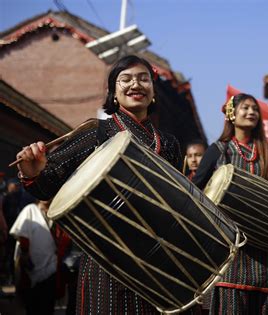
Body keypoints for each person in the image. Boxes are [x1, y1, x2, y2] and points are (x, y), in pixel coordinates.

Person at [15, 55, 182, 314]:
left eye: (143, 79)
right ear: (113, 93)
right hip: (106, 258)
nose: (135, 84)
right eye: (125, 79)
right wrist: (34, 171)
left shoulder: (169, 143)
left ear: (153, 92)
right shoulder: (95, 133)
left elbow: (178, 201)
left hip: (156, 260)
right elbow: (45, 187)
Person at [193, 93, 268, 315]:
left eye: (255, 109)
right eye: (245, 108)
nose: (251, 112)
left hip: (265, 244)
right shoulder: (219, 149)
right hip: (232, 245)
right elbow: (197, 187)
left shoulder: (267, 151)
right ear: (231, 114)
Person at [9, 200, 56, 315]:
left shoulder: (55, 212)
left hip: (52, 266)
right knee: (33, 306)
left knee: (47, 306)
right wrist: (25, 256)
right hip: (32, 267)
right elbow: (23, 235)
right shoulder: (30, 209)